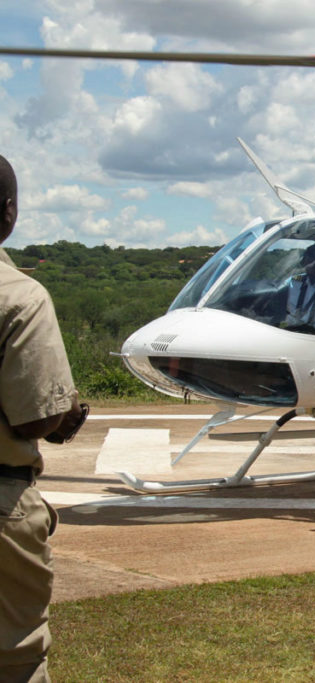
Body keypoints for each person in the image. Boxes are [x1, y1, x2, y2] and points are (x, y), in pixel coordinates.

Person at [1, 153, 87, 682]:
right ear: (8, 213)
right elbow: (36, 418)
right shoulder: (19, 296)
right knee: (16, 659)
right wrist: (65, 414)